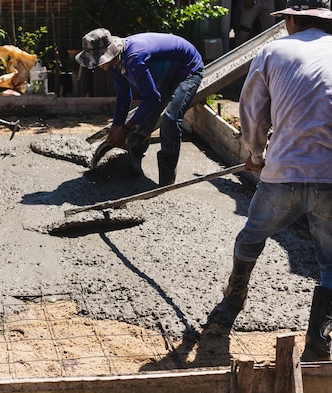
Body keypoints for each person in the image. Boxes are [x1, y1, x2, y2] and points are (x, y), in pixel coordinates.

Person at [209, 0, 332, 361]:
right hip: (330, 179)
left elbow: (251, 109)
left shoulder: (273, 49)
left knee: (251, 237)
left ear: (293, 20)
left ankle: (231, 302)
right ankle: (318, 344)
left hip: (284, 174)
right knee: (330, 264)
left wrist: (256, 155)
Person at [76, 29, 204, 186]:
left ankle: (166, 180)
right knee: (143, 118)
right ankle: (132, 167)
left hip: (187, 69)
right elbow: (124, 96)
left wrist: (126, 129)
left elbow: (152, 98)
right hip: (167, 72)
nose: (99, 66)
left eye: (99, 61)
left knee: (170, 118)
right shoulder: (116, 63)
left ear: (110, 52)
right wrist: (116, 127)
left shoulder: (134, 58)